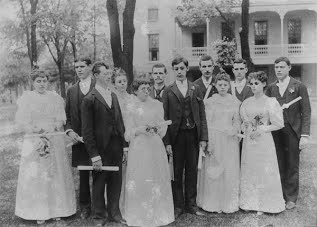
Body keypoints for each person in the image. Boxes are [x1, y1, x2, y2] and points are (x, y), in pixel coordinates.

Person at [15, 70, 76, 224]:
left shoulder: (55, 98)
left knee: (54, 173)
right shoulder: (27, 98)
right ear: (33, 82)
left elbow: (61, 118)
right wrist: (37, 130)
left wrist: (52, 128)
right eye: (38, 81)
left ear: (47, 82)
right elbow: (23, 120)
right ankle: (39, 211)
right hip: (35, 138)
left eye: (44, 81)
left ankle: (57, 209)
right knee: (38, 174)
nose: (42, 84)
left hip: (53, 137)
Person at [124, 79, 174, 227]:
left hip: (155, 145)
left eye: (148, 88)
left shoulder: (157, 105)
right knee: (141, 177)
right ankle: (139, 213)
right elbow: (127, 133)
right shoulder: (130, 106)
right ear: (135, 91)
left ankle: (159, 212)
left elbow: (163, 127)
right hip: (139, 146)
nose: (146, 91)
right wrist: (139, 130)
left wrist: (158, 129)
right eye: (142, 88)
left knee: (156, 176)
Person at [162, 56, 208, 218]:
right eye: (177, 69)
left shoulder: (196, 88)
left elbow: (202, 115)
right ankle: (178, 206)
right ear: (173, 71)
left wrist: (203, 138)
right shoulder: (168, 91)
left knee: (192, 170)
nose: (180, 71)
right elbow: (164, 118)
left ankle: (191, 204)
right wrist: (166, 141)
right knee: (177, 170)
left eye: (182, 68)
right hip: (176, 137)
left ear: (187, 69)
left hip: (193, 135)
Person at [81, 62, 126, 226]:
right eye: (105, 74)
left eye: (109, 74)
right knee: (99, 183)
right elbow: (87, 131)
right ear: (96, 75)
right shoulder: (89, 99)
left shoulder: (113, 95)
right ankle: (99, 216)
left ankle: (114, 213)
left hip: (116, 147)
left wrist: (124, 146)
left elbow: (120, 122)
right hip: (100, 149)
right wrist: (94, 156)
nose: (109, 76)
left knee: (116, 181)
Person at [266, 57, 311, 210]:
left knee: (292, 164)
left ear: (289, 68)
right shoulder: (271, 87)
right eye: (276, 67)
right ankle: (279, 194)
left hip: (293, 130)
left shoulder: (299, 86)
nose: (278, 70)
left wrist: (304, 135)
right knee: (277, 162)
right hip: (275, 132)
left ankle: (291, 197)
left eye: (282, 67)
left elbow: (306, 111)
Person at [239, 71, 285, 215]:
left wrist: (262, 129)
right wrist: (245, 126)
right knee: (251, 168)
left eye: (256, 83)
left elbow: (279, 124)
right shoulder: (246, 102)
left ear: (264, 84)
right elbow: (243, 122)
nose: (253, 86)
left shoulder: (271, 102)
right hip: (249, 141)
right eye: (251, 83)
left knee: (264, 170)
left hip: (264, 141)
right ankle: (250, 202)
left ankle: (267, 203)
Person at [197, 73, 241, 213]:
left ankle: (228, 201)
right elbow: (207, 122)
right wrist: (209, 141)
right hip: (215, 137)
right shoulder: (210, 101)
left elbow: (237, 120)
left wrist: (234, 130)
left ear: (229, 86)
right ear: (215, 85)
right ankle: (212, 201)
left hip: (229, 139)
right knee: (214, 168)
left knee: (228, 168)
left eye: (225, 85)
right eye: (220, 85)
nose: (222, 87)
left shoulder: (235, 101)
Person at [65, 57, 97, 219]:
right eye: (76, 67)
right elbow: (68, 117)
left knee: (99, 173)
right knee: (83, 174)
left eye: (82, 66)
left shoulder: (100, 86)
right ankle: (85, 207)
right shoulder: (71, 90)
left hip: (97, 140)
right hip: (79, 140)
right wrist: (70, 132)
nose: (79, 69)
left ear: (90, 67)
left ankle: (100, 207)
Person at [110, 67, 135, 217]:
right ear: (114, 83)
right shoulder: (112, 98)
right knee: (120, 173)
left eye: (124, 81)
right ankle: (117, 205)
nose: (122, 84)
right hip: (118, 139)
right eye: (119, 81)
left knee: (131, 171)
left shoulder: (132, 98)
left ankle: (130, 203)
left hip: (133, 139)